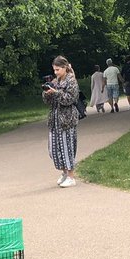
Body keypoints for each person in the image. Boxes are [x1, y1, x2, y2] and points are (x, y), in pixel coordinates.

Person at [42, 56, 80, 187]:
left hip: (67, 119)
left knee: (66, 147)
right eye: (54, 70)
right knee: (54, 149)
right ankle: (64, 172)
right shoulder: (55, 81)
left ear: (65, 68)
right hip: (54, 120)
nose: (56, 72)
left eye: (58, 69)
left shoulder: (71, 81)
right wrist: (47, 93)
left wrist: (56, 93)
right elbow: (48, 101)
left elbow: (69, 99)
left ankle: (71, 176)